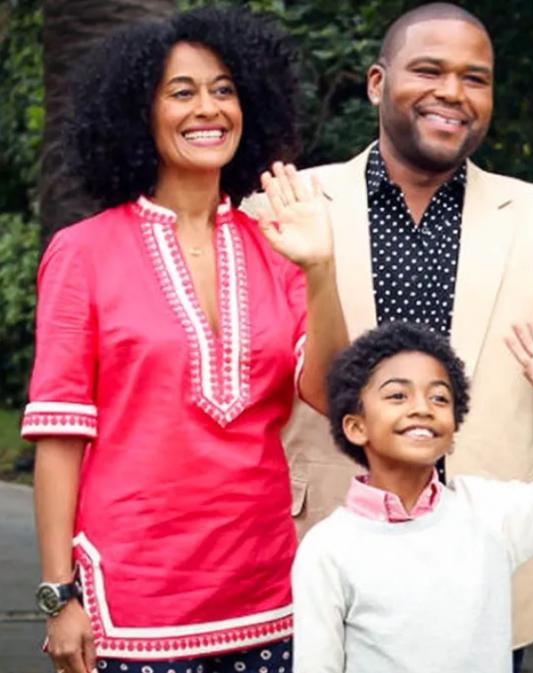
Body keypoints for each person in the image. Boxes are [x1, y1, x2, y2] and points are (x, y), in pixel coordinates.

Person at [258, 2, 533, 656]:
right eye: (428, 70)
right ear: (377, 83)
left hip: (489, 564)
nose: (452, 93)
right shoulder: (290, 205)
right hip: (337, 540)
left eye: (475, 78)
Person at [25, 7, 348, 673]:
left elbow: (328, 391)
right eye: (182, 91)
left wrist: (321, 269)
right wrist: (60, 596)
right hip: (134, 604)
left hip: (265, 594)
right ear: (137, 111)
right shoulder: (82, 252)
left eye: (225, 89)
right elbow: (59, 436)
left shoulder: (278, 248)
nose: (210, 108)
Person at [291, 321, 533, 672]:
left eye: (440, 397)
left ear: (452, 433)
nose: (422, 407)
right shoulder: (328, 548)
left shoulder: (487, 513)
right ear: (356, 427)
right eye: (397, 395)